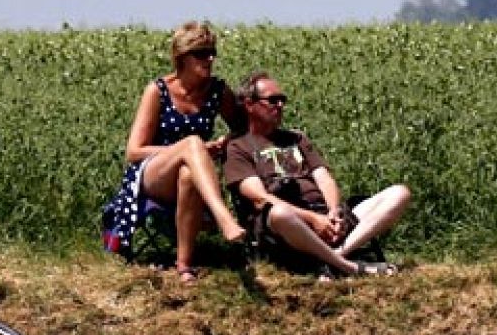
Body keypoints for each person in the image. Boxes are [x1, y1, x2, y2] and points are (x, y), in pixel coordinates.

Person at [100, 22, 248, 282]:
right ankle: (223, 217)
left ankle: (184, 265)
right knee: (192, 144)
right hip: (151, 173)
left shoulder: (217, 91)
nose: (210, 59)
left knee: (188, 174)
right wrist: (186, 149)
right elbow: (134, 152)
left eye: (212, 52)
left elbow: (244, 129)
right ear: (183, 57)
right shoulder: (158, 91)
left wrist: (223, 143)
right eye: (201, 53)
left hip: (192, 174)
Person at [223, 72, 408, 278]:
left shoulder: (296, 138)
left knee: (399, 194)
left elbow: (323, 177)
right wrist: (312, 219)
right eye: (273, 100)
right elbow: (260, 198)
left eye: (283, 100)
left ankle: (336, 257)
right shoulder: (238, 147)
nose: (280, 105)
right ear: (249, 105)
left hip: (324, 216)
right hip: (286, 228)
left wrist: (333, 212)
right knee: (279, 212)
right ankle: (351, 268)